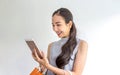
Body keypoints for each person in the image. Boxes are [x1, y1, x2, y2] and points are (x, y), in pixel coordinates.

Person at [32, 8, 88, 75]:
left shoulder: (81, 44)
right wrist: (41, 63)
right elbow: (45, 70)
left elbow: (77, 74)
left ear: (69, 24)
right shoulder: (51, 45)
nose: (55, 29)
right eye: (53, 25)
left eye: (58, 24)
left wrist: (48, 66)